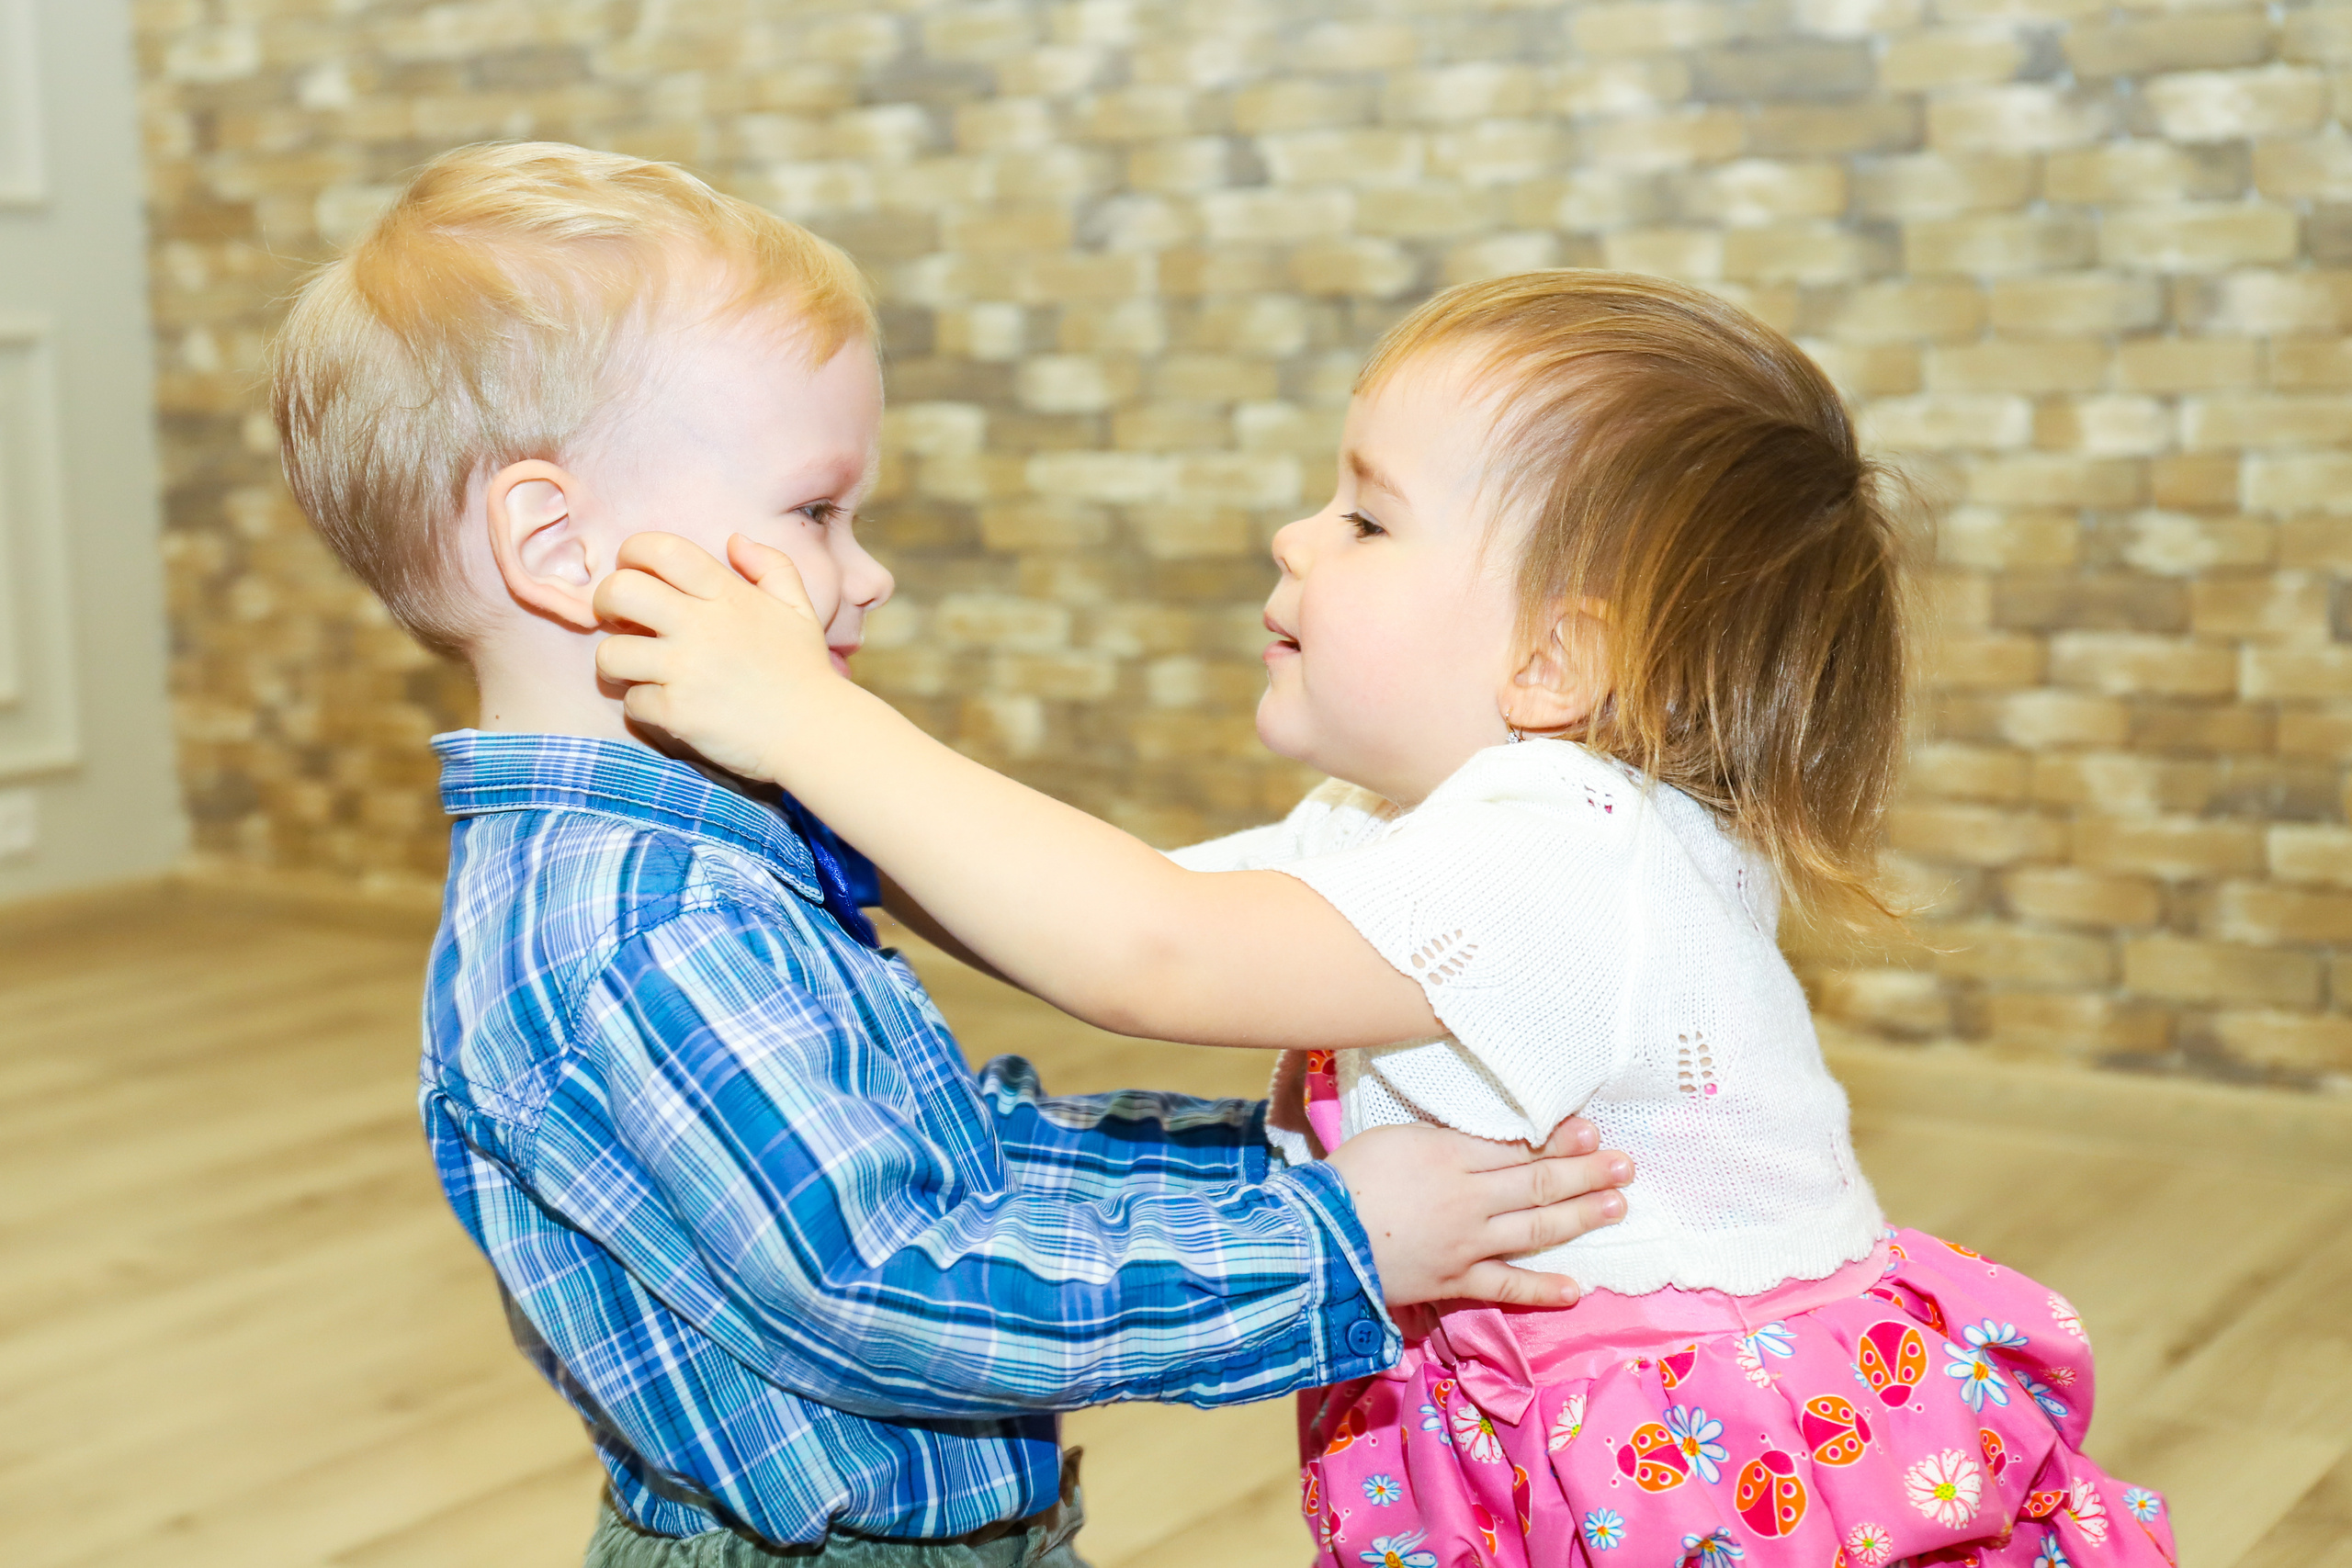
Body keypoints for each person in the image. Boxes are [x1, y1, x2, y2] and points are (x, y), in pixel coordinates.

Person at [590, 271, 2179, 1567]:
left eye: (1366, 518)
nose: (1297, 538)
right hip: (1552, 1421)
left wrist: (806, 723)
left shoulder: (1570, 853)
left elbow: (1146, 954)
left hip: (1702, 1478)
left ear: (1553, 664)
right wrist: (793, 805)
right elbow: (1088, 918)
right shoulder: (1412, 832)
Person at [265, 145, 1640, 1568]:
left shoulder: (710, 858)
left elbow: (948, 1162)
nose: (870, 573)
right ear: (558, 546)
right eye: (816, 512)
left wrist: (1271, 1161)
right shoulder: (641, 930)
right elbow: (882, 1287)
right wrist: (1324, 1246)